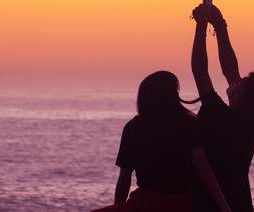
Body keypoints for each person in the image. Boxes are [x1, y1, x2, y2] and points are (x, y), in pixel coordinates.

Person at [92, 71, 232, 212]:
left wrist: (118, 207)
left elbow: (124, 178)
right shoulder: (189, 124)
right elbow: (203, 168)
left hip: (145, 204)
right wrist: (224, 206)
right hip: (179, 204)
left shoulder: (134, 127)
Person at [191, 4, 254, 212]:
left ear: (243, 98)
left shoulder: (219, 117)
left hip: (208, 205)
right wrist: (219, 25)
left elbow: (200, 72)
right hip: (240, 204)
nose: (237, 81)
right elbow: (230, 70)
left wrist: (201, 26)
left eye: (242, 83)